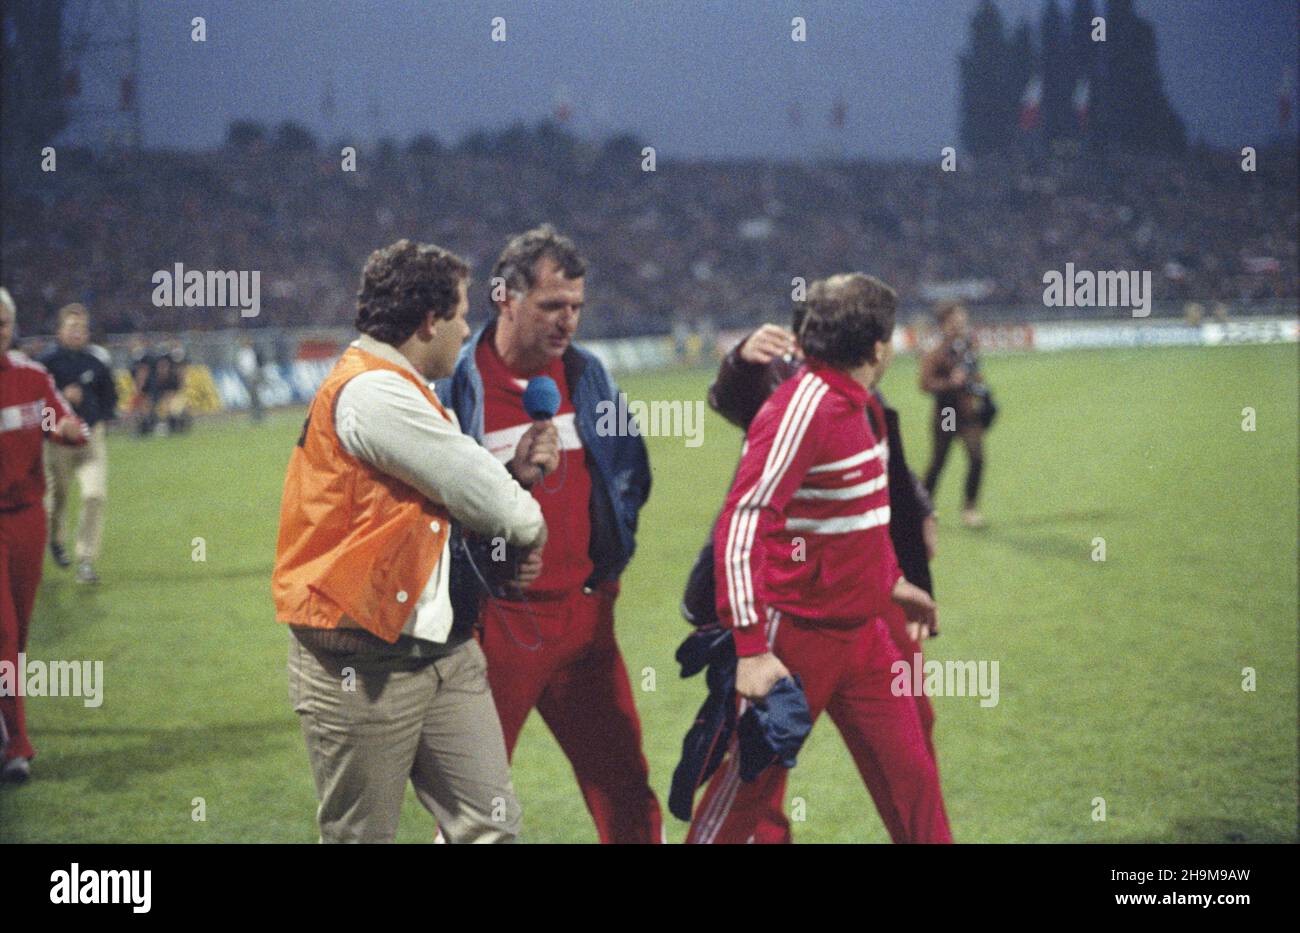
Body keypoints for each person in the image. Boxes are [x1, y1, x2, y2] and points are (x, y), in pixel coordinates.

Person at [272, 240, 549, 843]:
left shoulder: (395, 385)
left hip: (441, 654)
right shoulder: (374, 391)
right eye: (460, 312)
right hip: (364, 664)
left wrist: (508, 487)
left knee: (491, 828)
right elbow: (476, 487)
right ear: (429, 321)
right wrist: (527, 525)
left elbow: (441, 503)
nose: (467, 326)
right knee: (363, 838)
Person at [686, 274, 952, 844]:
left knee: (914, 785)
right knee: (742, 798)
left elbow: (858, 518)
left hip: (863, 638)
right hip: (793, 638)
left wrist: (894, 583)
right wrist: (752, 650)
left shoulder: (861, 407)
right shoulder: (803, 408)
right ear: (879, 347)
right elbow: (744, 520)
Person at [438, 225, 663, 844]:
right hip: (496, 627)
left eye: (576, 308)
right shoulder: (456, 387)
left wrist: (605, 566)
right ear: (504, 298)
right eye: (551, 306)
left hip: (587, 622)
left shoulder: (589, 377)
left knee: (625, 789)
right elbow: (428, 514)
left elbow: (632, 475)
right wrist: (490, 558)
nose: (568, 322)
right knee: (474, 810)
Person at [0, 287, 87, 783]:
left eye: (3, 325)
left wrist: (71, 428)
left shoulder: (32, 379)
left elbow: (56, 419)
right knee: (4, 634)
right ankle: (17, 745)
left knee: (19, 637)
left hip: (27, 519)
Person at [39, 304, 118, 584]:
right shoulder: (45, 364)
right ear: (60, 330)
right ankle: (55, 541)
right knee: (55, 500)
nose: (77, 332)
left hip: (90, 440)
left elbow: (110, 397)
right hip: (56, 444)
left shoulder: (97, 361)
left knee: (94, 495)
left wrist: (99, 418)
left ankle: (86, 560)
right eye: (72, 327)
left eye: (82, 327)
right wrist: (59, 409)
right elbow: (38, 406)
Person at [920, 301, 991, 528]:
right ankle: (921, 508)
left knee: (977, 458)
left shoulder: (967, 346)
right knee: (939, 461)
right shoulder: (937, 350)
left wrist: (977, 384)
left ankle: (970, 509)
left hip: (968, 411)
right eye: (957, 318)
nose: (962, 321)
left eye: (963, 317)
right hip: (948, 412)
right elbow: (925, 383)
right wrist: (950, 383)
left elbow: (973, 374)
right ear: (946, 322)